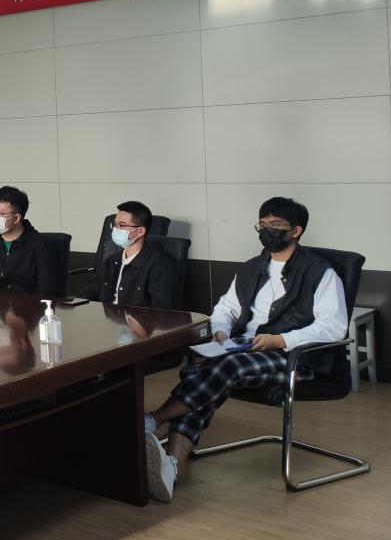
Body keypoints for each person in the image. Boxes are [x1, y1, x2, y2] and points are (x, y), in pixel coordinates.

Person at [143, 197, 347, 503]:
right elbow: (225, 308)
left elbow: (333, 327)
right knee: (207, 371)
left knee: (222, 369)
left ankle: (154, 419)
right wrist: (221, 330)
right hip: (245, 348)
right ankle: (172, 465)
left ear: (296, 231)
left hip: (296, 358)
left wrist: (280, 340)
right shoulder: (252, 267)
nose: (267, 231)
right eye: (262, 225)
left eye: (275, 225)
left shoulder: (320, 272)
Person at [0, 186, 63, 294]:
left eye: (0, 213)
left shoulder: (40, 245)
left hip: (27, 303)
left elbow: (47, 291)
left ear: (17, 218)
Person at [82, 201, 175, 308]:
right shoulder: (111, 260)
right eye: (115, 224)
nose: (116, 229)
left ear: (140, 231)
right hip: (105, 317)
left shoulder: (159, 265)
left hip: (138, 318)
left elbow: (161, 310)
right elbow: (89, 294)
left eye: (122, 225)